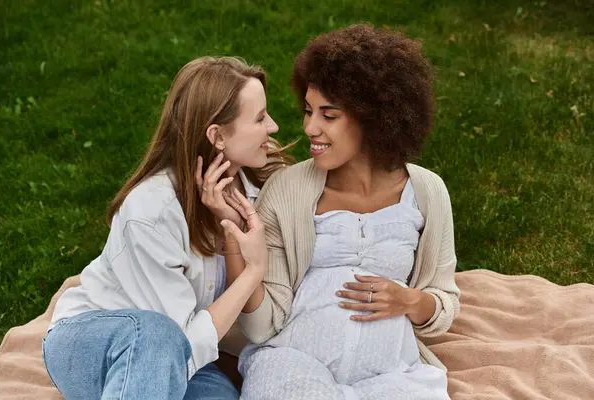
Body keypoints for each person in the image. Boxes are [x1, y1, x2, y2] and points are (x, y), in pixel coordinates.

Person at [226, 24, 461, 399]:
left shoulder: (427, 192)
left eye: (328, 115)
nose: (309, 128)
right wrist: (235, 246)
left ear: (373, 117)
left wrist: (409, 300)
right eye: (308, 111)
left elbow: (444, 300)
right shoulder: (288, 190)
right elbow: (260, 324)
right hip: (294, 363)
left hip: (394, 374)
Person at [41, 56, 293, 400]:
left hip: (180, 357)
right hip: (92, 341)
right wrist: (254, 270)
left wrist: (230, 227)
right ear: (217, 136)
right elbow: (181, 341)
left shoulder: (255, 189)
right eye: (260, 118)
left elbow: (189, 350)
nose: (274, 127)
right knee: (156, 335)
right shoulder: (151, 212)